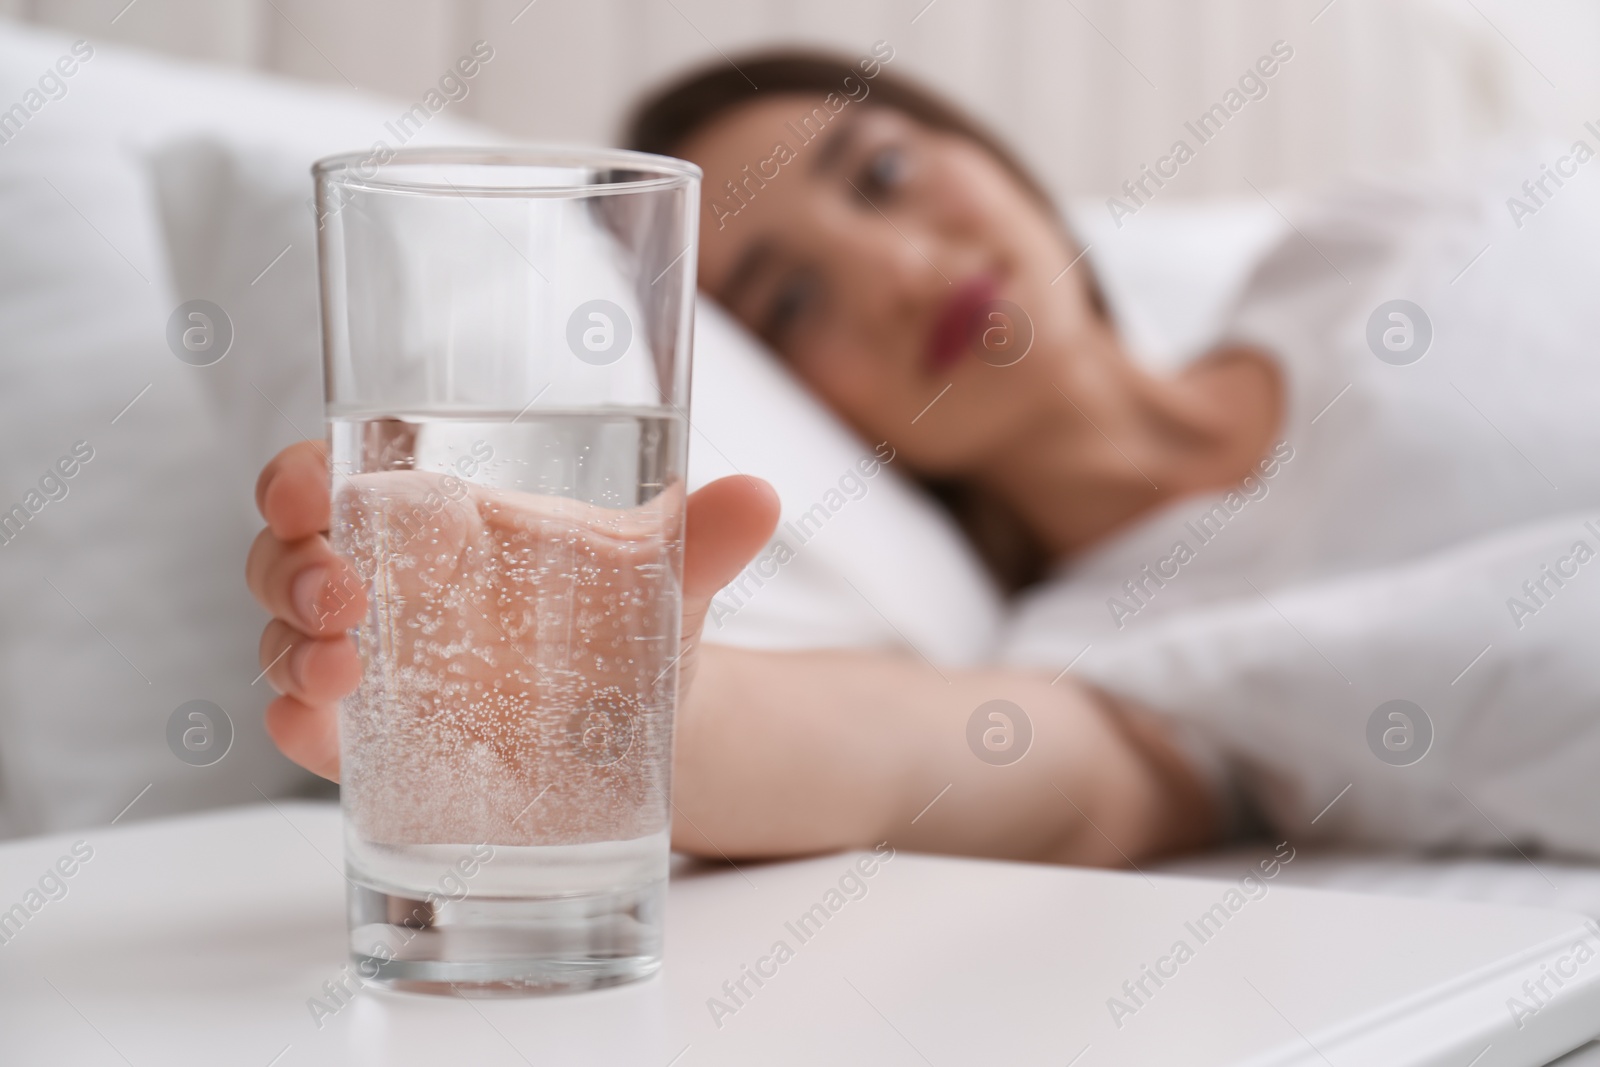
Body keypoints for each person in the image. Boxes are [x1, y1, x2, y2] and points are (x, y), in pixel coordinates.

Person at [247, 51, 1600, 865]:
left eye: (882, 174)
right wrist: (608, 708)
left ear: (986, 154)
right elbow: (962, 771)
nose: (899, 267)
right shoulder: (1105, 664)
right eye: (793, 303)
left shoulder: (1394, 234)